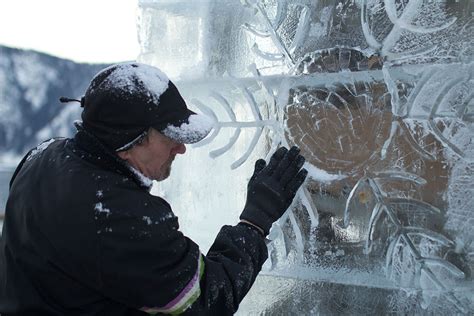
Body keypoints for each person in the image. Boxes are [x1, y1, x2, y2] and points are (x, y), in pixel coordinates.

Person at [0, 62, 307, 315]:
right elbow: (207, 302)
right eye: (170, 136)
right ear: (127, 143)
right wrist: (255, 220)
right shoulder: (119, 214)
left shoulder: (41, 157)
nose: (180, 149)